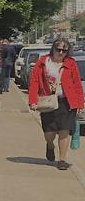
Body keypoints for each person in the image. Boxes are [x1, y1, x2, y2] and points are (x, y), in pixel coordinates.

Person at [27, 37, 82, 171]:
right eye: (59, 49)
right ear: (53, 49)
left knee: (64, 130)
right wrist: (32, 100)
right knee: (49, 133)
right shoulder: (42, 62)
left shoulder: (71, 63)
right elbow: (34, 82)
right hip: (48, 102)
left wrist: (79, 103)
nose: (61, 52)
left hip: (66, 102)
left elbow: (77, 84)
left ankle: (62, 160)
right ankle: (50, 145)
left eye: (64, 50)